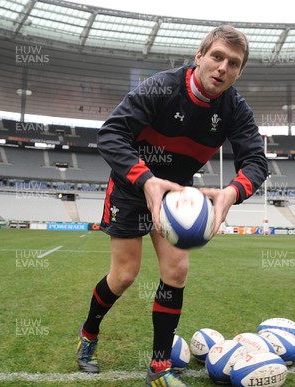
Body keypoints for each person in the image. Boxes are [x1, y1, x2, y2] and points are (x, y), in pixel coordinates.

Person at [76, 25, 268, 386]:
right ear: (199, 57)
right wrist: (146, 180)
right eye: (217, 57)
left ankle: (159, 367)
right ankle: (88, 334)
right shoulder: (160, 87)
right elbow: (110, 133)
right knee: (125, 276)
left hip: (176, 195)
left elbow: (256, 161)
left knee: (176, 271)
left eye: (233, 63)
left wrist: (232, 192)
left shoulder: (235, 108)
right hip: (132, 186)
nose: (223, 67)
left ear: (239, 71)